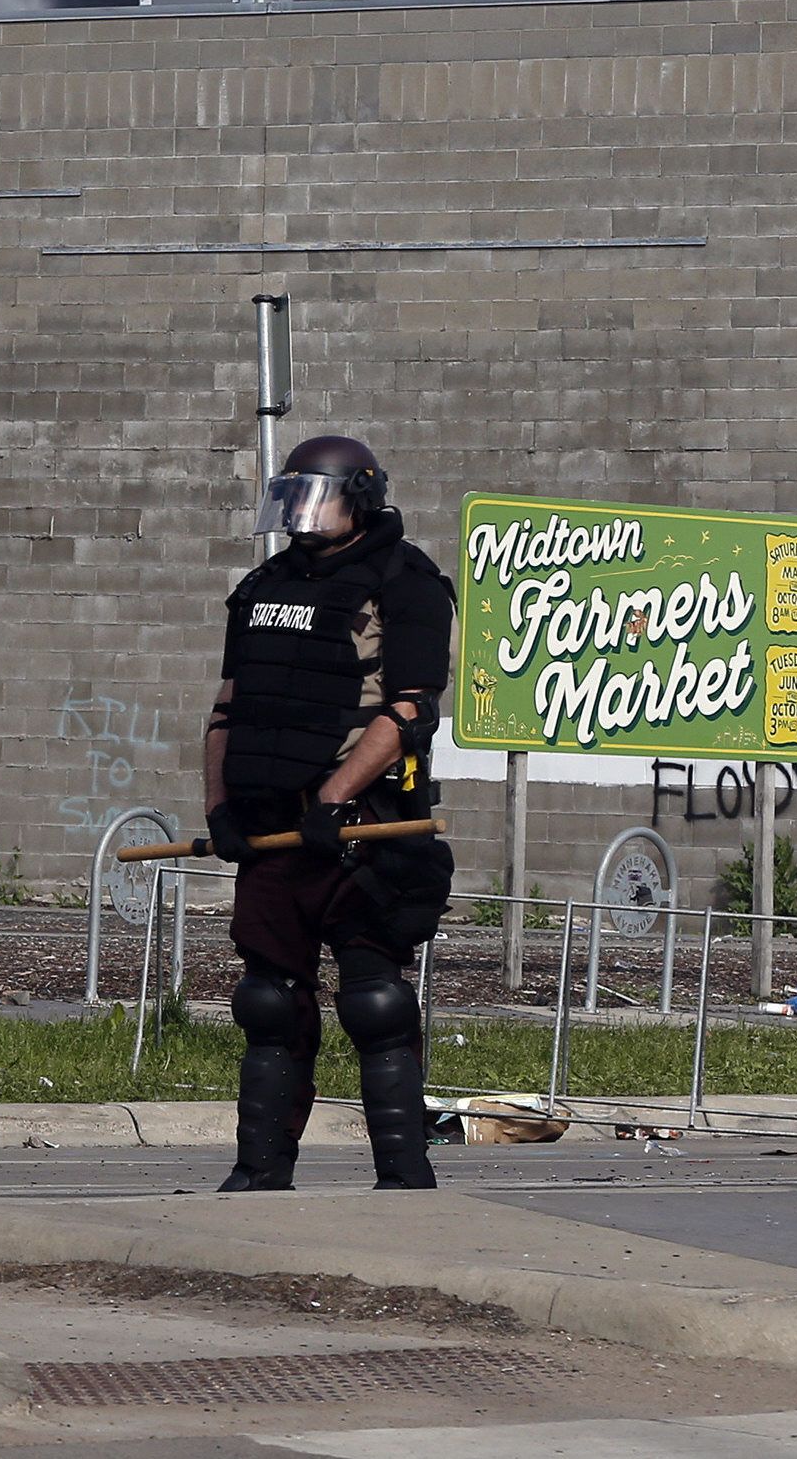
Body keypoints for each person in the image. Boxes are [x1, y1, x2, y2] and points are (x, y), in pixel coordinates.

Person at [200, 434, 457, 1194]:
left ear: (362, 498)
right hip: (270, 826)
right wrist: (218, 808)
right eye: (295, 498)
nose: (303, 515)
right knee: (267, 1001)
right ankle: (259, 1169)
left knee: (373, 999)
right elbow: (226, 708)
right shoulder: (261, 584)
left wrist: (335, 795)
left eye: (321, 497)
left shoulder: (404, 581)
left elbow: (408, 709)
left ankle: (403, 1174)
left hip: (357, 828)